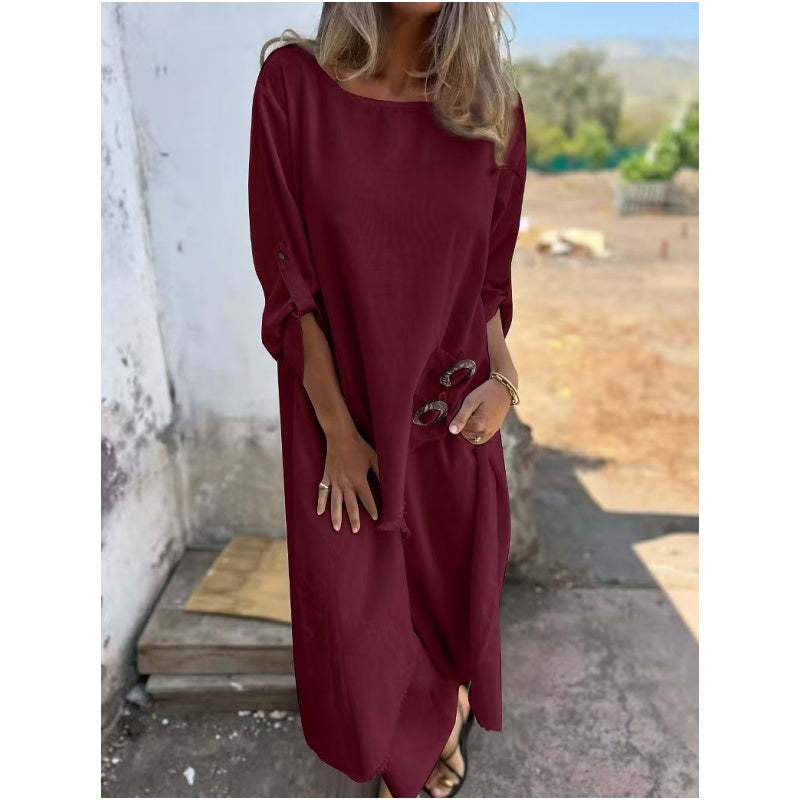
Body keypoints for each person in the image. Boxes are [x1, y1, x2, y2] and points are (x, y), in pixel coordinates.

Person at [248, 3, 526, 796]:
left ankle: (441, 719)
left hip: (450, 412)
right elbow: (289, 282)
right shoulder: (293, 87)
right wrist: (338, 430)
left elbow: (488, 281)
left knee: (444, 598)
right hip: (340, 412)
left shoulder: (493, 110)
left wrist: (504, 380)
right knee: (358, 616)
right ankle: (404, 743)